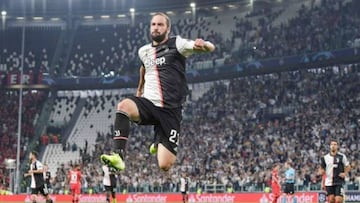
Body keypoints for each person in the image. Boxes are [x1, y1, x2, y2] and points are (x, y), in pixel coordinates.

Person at [101, 12, 215, 171]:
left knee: (164, 165)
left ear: (168, 29)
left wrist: (204, 45)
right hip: (149, 103)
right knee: (123, 106)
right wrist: (139, 89)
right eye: (153, 24)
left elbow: (208, 47)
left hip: (171, 111)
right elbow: (143, 67)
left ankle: (160, 139)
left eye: (160, 25)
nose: (156, 28)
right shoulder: (143, 51)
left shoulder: (178, 44)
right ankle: (118, 155)